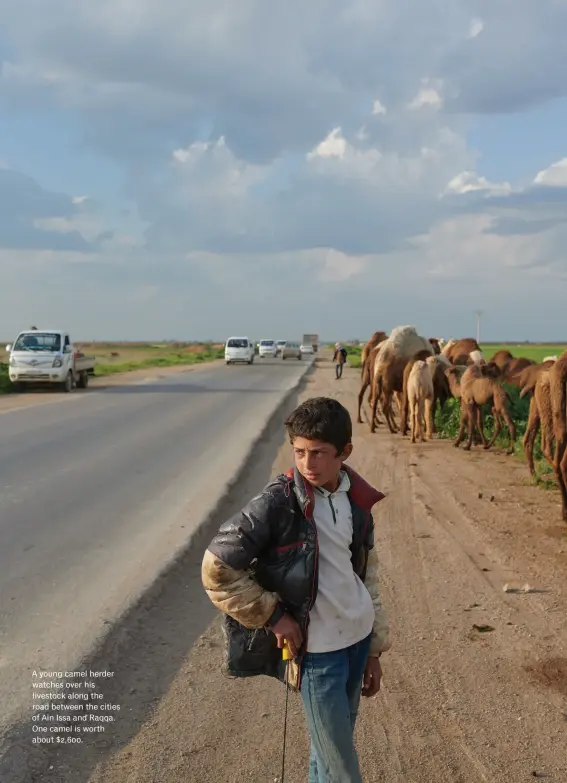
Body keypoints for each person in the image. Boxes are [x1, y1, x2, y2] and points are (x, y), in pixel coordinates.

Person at [202, 397, 390, 782]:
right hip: (317, 657)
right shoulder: (277, 503)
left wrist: (373, 650)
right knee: (342, 769)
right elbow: (216, 568)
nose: (308, 464)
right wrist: (273, 616)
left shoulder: (357, 500)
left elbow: (366, 576)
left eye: (319, 453)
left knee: (326, 759)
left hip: (356, 642)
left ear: (345, 453)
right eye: (300, 452)